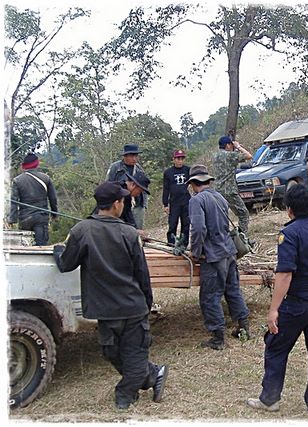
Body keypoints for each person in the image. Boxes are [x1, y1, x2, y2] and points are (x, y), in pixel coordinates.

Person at [53, 181, 168, 410]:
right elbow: (143, 274)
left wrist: (58, 252)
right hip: (113, 308)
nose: (124, 205)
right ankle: (154, 374)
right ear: (116, 204)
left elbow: (65, 264)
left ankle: (124, 395)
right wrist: (147, 301)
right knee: (111, 353)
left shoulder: (86, 231)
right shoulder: (102, 231)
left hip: (127, 308)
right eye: (123, 201)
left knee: (132, 355)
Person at [246, 184, 308, 415]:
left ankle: (270, 399)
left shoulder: (289, 234)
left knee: (276, 348)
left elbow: (285, 274)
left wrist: (273, 309)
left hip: (296, 304)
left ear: (289, 209)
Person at [188, 164, 251, 350]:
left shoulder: (197, 200)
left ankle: (217, 338)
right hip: (229, 251)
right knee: (233, 290)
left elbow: (198, 229)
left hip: (213, 255)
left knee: (210, 296)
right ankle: (243, 328)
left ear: (193, 183)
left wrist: (195, 252)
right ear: (207, 181)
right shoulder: (220, 197)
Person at [8, 153, 58, 246]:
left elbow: (14, 202)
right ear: (36, 164)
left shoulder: (17, 180)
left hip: (25, 219)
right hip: (41, 218)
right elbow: (53, 199)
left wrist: (12, 220)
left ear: (24, 166)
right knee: (41, 247)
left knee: (25, 246)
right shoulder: (46, 178)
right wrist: (54, 214)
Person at [211, 135, 252, 233]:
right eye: (231, 145)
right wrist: (238, 147)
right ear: (228, 145)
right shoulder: (230, 155)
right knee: (243, 214)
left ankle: (224, 236)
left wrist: (235, 150)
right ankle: (242, 237)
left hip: (217, 190)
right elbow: (249, 156)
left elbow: (229, 161)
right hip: (229, 190)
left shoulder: (215, 156)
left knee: (222, 216)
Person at [107, 144, 148, 230]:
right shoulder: (115, 167)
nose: (134, 159)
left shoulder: (139, 169)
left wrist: (144, 204)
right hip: (120, 202)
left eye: (136, 156)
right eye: (132, 156)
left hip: (137, 203)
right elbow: (108, 185)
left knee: (137, 228)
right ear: (125, 156)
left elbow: (143, 187)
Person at [162, 149, 191, 245]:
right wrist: (165, 204)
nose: (180, 161)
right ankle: (171, 244)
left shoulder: (188, 170)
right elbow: (166, 189)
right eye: (178, 159)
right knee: (172, 224)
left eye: (182, 159)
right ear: (174, 159)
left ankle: (184, 244)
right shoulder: (168, 172)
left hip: (186, 201)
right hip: (174, 202)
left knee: (186, 224)